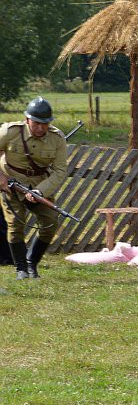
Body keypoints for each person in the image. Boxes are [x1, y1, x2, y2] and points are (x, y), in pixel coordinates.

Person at [0, 98, 68, 280]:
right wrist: (1, 177)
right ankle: (21, 269)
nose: (40, 128)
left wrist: (40, 191)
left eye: (45, 124)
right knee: (15, 224)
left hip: (38, 186)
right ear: (27, 119)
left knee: (51, 221)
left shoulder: (57, 138)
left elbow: (60, 170)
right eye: (36, 123)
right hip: (11, 185)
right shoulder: (10, 131)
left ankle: (32, 263)